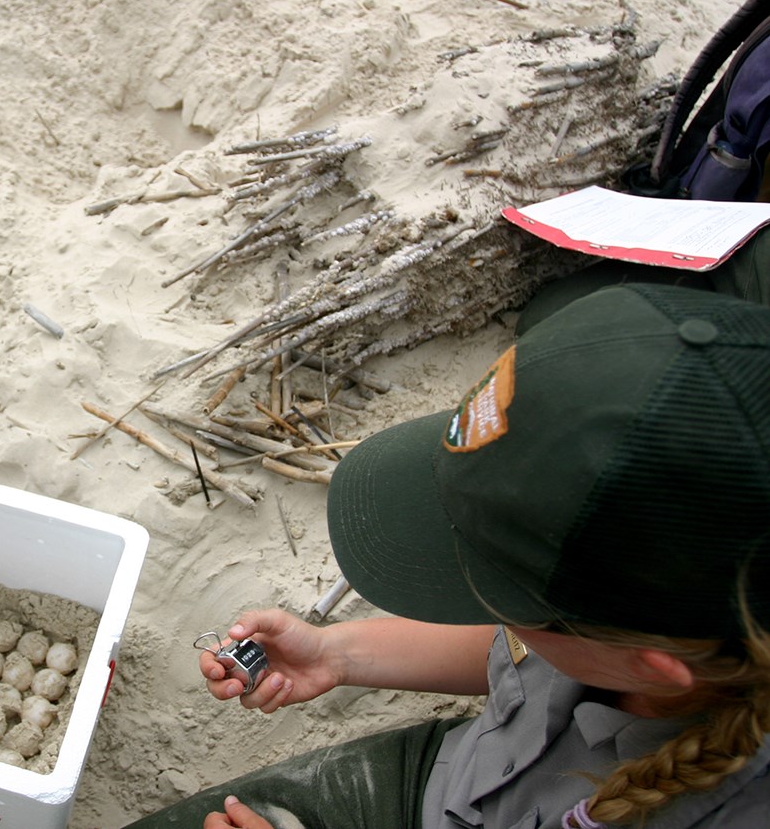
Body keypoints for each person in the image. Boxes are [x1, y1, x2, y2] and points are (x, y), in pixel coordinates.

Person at [129, 282, 770, 828]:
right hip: (455, 784)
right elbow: (518, 652)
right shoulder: (647, 627)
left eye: (493, 588)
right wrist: (335, 654)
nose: (482, 602)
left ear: (656, 669)